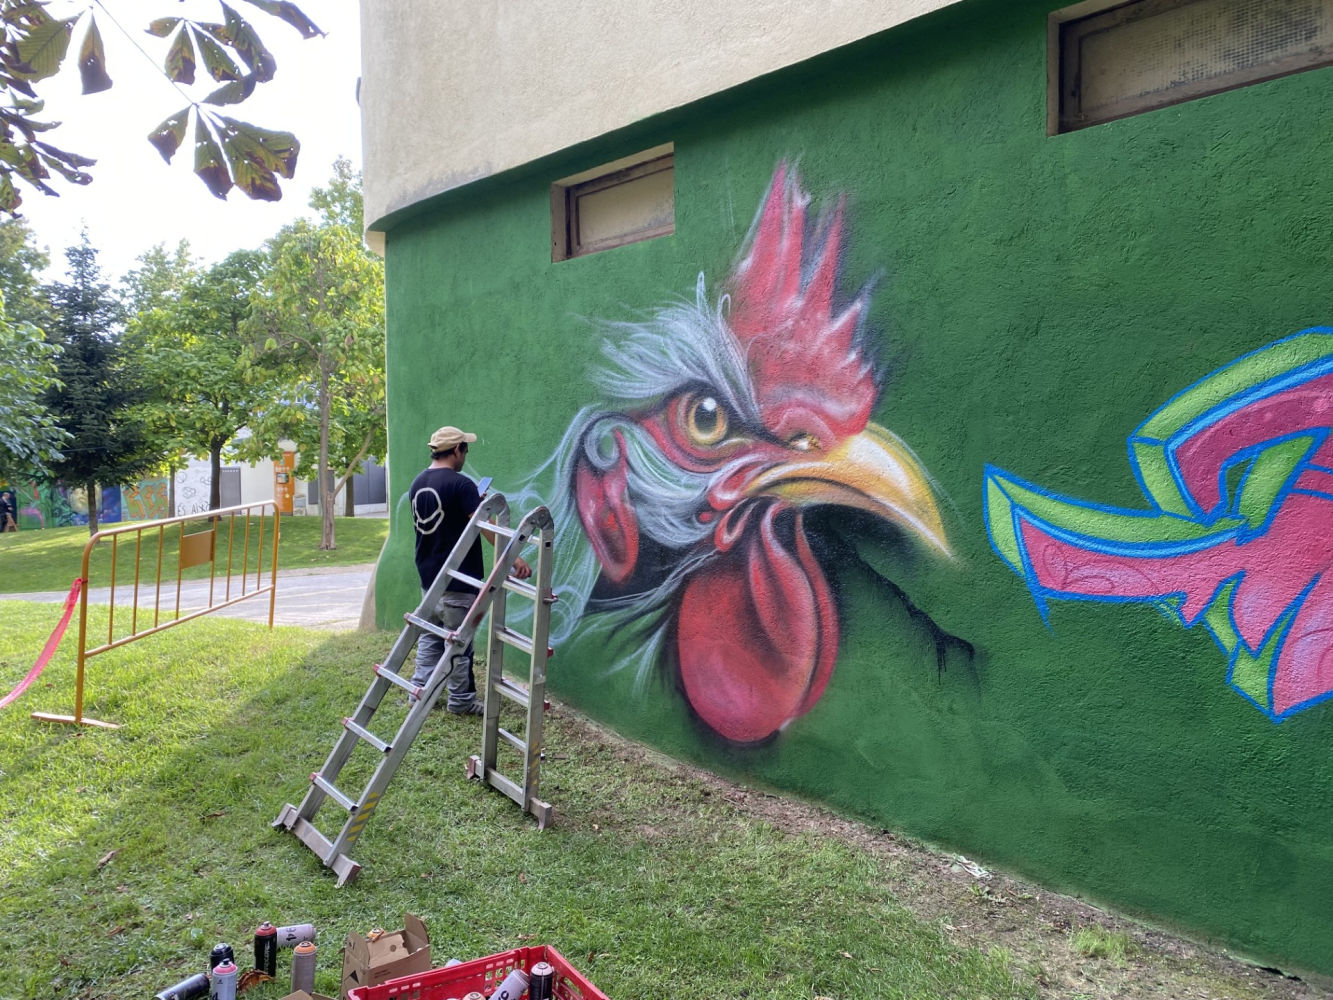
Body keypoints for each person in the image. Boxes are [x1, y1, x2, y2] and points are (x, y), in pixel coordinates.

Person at [409, 425, 531, 714]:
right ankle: (461, 700)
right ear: (455, 450)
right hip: (459, 580)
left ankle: (419, 691)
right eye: (465, 449)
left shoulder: (418, 482)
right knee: (459, 644)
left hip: (429, 578)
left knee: (430, 636)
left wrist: (472, 500)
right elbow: (487, 527)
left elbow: (447, 520)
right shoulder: (460, 485)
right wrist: (514, 558)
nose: (465, 455)